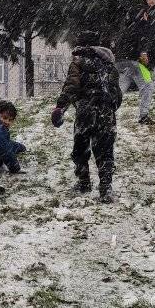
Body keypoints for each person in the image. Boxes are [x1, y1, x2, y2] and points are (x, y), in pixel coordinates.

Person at [51, 31, 122, 203]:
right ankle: (105, 189)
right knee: (105, 150)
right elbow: (117, 92)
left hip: (86, 112)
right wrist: (111, 107)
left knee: (81, 148)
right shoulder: (109, 64)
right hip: (106, 113)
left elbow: (71, 86)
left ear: (80, 45)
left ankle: (84, 183)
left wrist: (60, 107)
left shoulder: (78, 62)